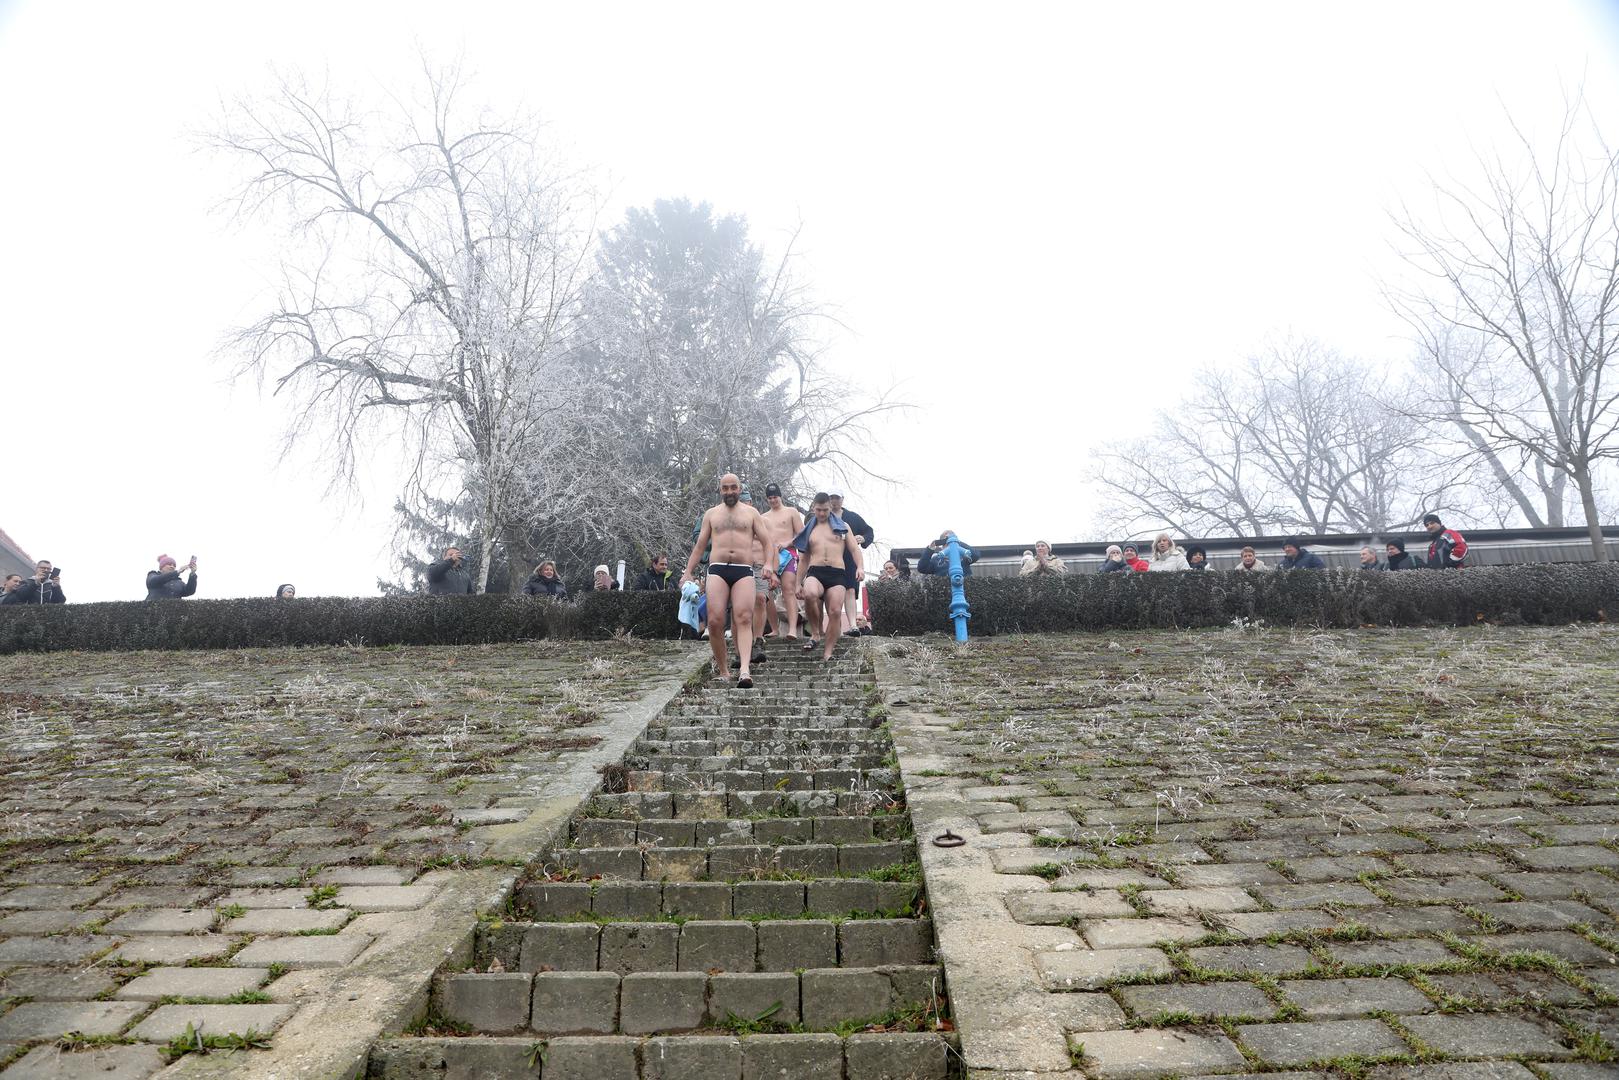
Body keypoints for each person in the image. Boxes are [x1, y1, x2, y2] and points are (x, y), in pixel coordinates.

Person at [681, 473, 781, 688]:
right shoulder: (711, 514)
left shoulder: (752, 513)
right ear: (720, 490)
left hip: (744, 569)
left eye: (733, 487)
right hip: (717, 569)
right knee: (715, 621)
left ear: (739, 488)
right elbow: (700, 546)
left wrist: (770, 566)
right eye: (725, 488)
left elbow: (768, 542)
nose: (729, 492)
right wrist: (688, 571)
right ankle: (724, 670)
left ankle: (745, 670)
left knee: (743, 617)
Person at [797, 492, 864, 661]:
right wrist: (798, 583)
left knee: (834, 611)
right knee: (810, 593)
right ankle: (815, 633)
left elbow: (854, 549)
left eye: (825, 510)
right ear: (813, 508)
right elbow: (804, 558)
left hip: (837, 573)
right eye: (818, 510)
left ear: (830, 508)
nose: (821, 514)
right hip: (816, 570)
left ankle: (828, 652)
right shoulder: (810, 528)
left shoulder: (842, 525)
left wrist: (860, 567)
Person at [760, 484, 806, 639]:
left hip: (788, 554)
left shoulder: (791, 512)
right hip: (769, 556)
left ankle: (792, 628)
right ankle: (774, 628)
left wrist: (787, 543)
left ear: (780, 496)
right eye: (770, 498)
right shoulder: (763, 517)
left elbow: (802, 535)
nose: (773, 500)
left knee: (788, 589)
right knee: (766, 591)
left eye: (775, 497)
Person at [827, 493, 874, 636]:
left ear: (842, 499)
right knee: (831, 594)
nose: (834, 501)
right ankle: (835, 628)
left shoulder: (852, 518)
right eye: (831, 498)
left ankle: (853, 625)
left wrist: (863, 538)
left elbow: (869, 532)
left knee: (850, 590)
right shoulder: (822, 518)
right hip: (829, 559)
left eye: (837, 498)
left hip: (849, 558)